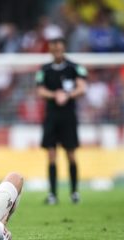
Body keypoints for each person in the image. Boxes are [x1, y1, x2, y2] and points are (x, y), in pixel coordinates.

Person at [35, 34, 87, 205]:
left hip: (68, 116)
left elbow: (82, 88)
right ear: (50, 49)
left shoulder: (74, 67)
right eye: (53, 48)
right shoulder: (44, 69)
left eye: (59, 47)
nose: (57, 51)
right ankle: (52, 194)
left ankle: (74, 192)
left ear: (64, 48)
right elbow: (40, 90)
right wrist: (55, 94)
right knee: (51, 155)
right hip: (51, 116)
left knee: (71, 154)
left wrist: (68, 95)